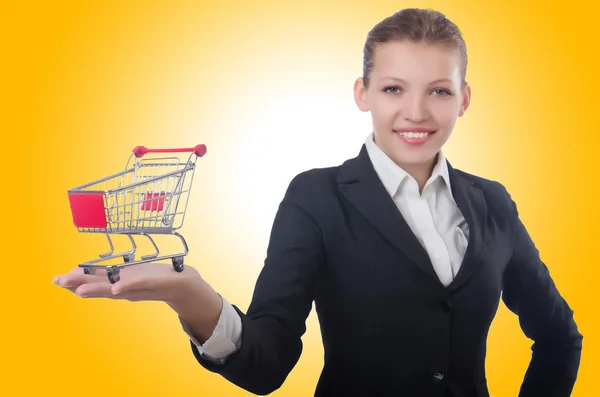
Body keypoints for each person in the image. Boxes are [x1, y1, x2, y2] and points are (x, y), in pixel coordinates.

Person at [52, 8, 582, 397]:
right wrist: (193, 300)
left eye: (439, 91)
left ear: (464, 98)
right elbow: (268, 363)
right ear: (363, 93)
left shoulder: (492, 202)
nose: (416, 112)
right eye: (394, 89)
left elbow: (559, 338)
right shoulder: (317, 196)